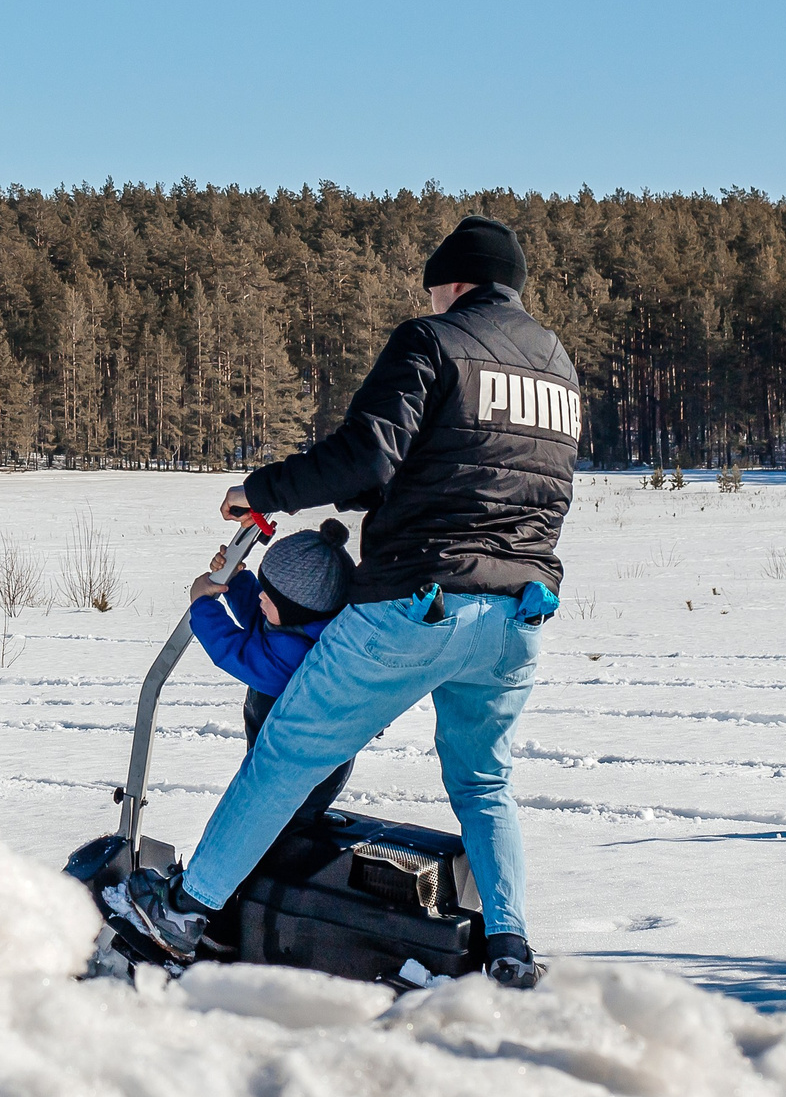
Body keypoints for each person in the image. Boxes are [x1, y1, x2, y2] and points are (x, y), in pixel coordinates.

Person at [110, 214, 577, 992]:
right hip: (519, 613)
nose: (429, 297)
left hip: (416, 603)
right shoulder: (556, 367)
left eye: (433, 285)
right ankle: (508, 945)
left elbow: (367, 452)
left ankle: (184, 915)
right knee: (484, 782)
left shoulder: (434, 341)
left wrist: (260, 489)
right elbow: (432, 474)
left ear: (453, 281)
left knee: (287, 754)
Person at [184, 519, 359, 836]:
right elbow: (261, 614)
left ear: (297, 609)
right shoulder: (301, 620)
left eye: (270, 595)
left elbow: (234, 651)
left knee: (269, 822)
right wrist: (234, 580)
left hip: (297, 776)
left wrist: (201, 603)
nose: (261, 596)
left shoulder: (296, 659)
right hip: (283, 756)